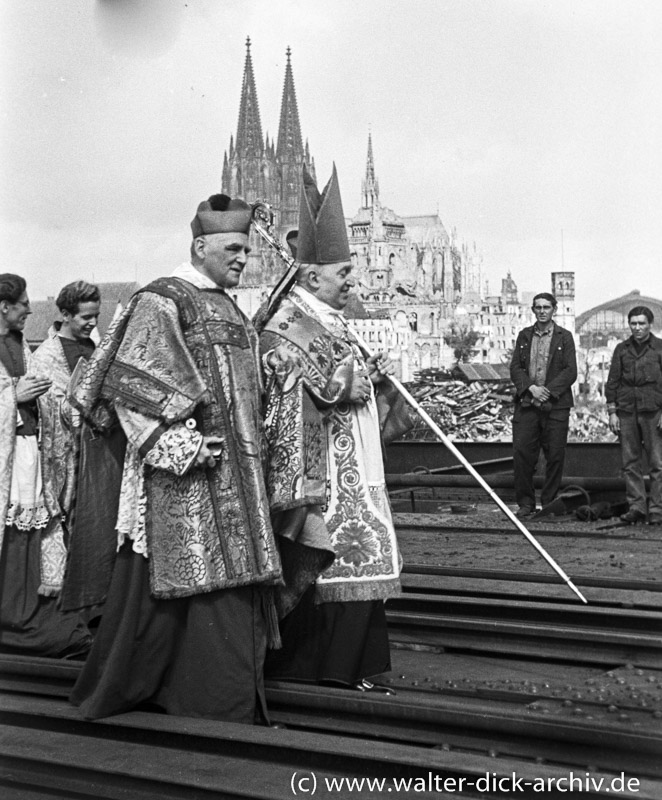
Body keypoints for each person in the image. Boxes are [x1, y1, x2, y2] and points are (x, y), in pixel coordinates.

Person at [69, 194, 282, 723]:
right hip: (183, 472)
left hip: (237, 469)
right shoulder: (161, 300)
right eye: (233, 248)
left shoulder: (230, 306)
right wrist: (178, 445)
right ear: (200, 245)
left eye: (247, 251)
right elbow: (129, 383)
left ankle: (221, 698)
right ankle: (195, 698)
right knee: (171, 582)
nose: (243, 259)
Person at [259, 165, 411, 691]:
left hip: (354, 465)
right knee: (335, 558)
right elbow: (284, 389)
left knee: (362, 555)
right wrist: (346, 384)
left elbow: (349, 389)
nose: (354, 280)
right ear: (311, 276)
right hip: (321, 477)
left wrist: (376, 383)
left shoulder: (330, 319)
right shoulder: (288, 323)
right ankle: (325, 669)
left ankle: (352, 667)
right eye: (344, 272)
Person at [0, 273, 92, 657]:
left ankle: (32, 613)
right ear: (4, 306)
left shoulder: (19, 343)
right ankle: (14, 618)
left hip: (28, 451)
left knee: (35, 531)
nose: (30, 309)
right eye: (23, 303)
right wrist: (12, 396)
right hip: (11, 455)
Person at [30, 281, 111, 618]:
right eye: (85, 317)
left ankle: (98, 605)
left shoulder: (96, 346)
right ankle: (70, 613)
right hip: (66, 459)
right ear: (64, 314)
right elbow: (46, 407)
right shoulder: (45, 356)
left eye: (96, 316)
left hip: (100, 456)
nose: (92, 323)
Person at [509, 292, 577, 518]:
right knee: (522, 454)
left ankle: (548, 501)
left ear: (554, 310)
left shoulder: (564, 337)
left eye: (546, 307)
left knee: (555, 455)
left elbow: (570, 371)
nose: (542, 311)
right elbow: (515, 368)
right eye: (538, 307)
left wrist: (546, 392)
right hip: (527, 404)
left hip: (555, 406)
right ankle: (526, 503)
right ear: (533, 310)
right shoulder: (524, 336)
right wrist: (531, 388)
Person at [605, 306, 662, 524]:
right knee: (630, 463)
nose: (637, 328)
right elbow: (612, 382)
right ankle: (637, 507)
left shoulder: (659, 349)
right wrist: (612, 412)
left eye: (641, 323)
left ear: (650, 324)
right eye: (633, 324)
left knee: (658, 464)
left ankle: (657, 510)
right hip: (627, 412)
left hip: (653, 413)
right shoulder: (621, 349)